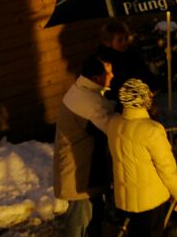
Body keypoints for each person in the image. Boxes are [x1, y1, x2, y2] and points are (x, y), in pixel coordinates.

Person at [109, 79, 177, 236]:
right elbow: (166, 166)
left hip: (125, 199)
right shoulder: (151, 130)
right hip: (150, 200)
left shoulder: (113, 124)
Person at [54, 54, 116, 237]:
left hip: (81, 170)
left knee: (89, 216)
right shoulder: (89, 102)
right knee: (80, 221)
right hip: (80, 174)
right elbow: (110, 128)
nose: (112, 76)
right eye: (109, 73)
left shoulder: (82, 90)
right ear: (97, 78)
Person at [95, 19, 154, 94]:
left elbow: (144, 72)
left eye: (126, 38)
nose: (124, 42)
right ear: (108, 42)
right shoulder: (106, 61)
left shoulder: (132, 53)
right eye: (119, 40)